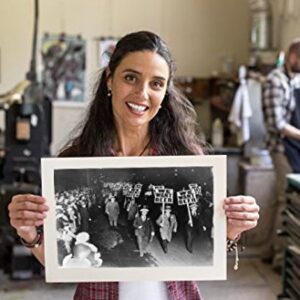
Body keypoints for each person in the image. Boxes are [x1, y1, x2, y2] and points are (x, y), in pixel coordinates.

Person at [8, 31, 259, 300]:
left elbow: (201, 248)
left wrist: (232, 227)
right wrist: (29, 232)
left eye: (156, 83)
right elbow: (63, 259)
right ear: (109, 80)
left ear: (165, 93)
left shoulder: (187, 160)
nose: (142, 93)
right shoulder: (76, 161)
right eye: (131, 78)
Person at [262, 38, 300, 270]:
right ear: (293, 57)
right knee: (285, 200)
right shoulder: (275, 81)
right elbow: (276, 123)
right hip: (281, 148)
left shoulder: (294, 79)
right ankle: (278, 257)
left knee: (280, 201)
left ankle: (270, 249)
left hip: (293, 145)